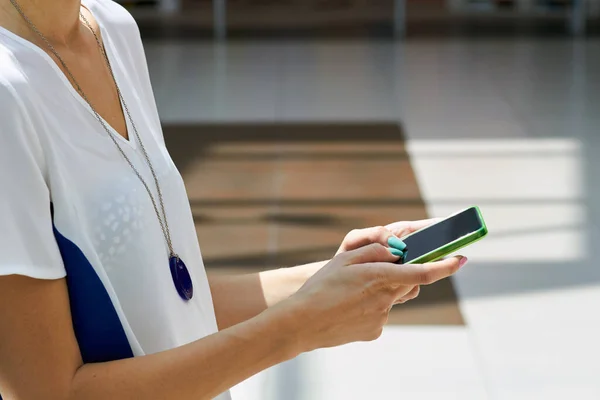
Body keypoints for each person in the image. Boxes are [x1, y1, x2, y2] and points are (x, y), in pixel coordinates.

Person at [0, 0, 467, 399]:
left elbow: (172, 300)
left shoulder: (112, 29)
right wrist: (297, 329)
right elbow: (49, 391)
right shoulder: (7, 93)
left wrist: (334, 278)